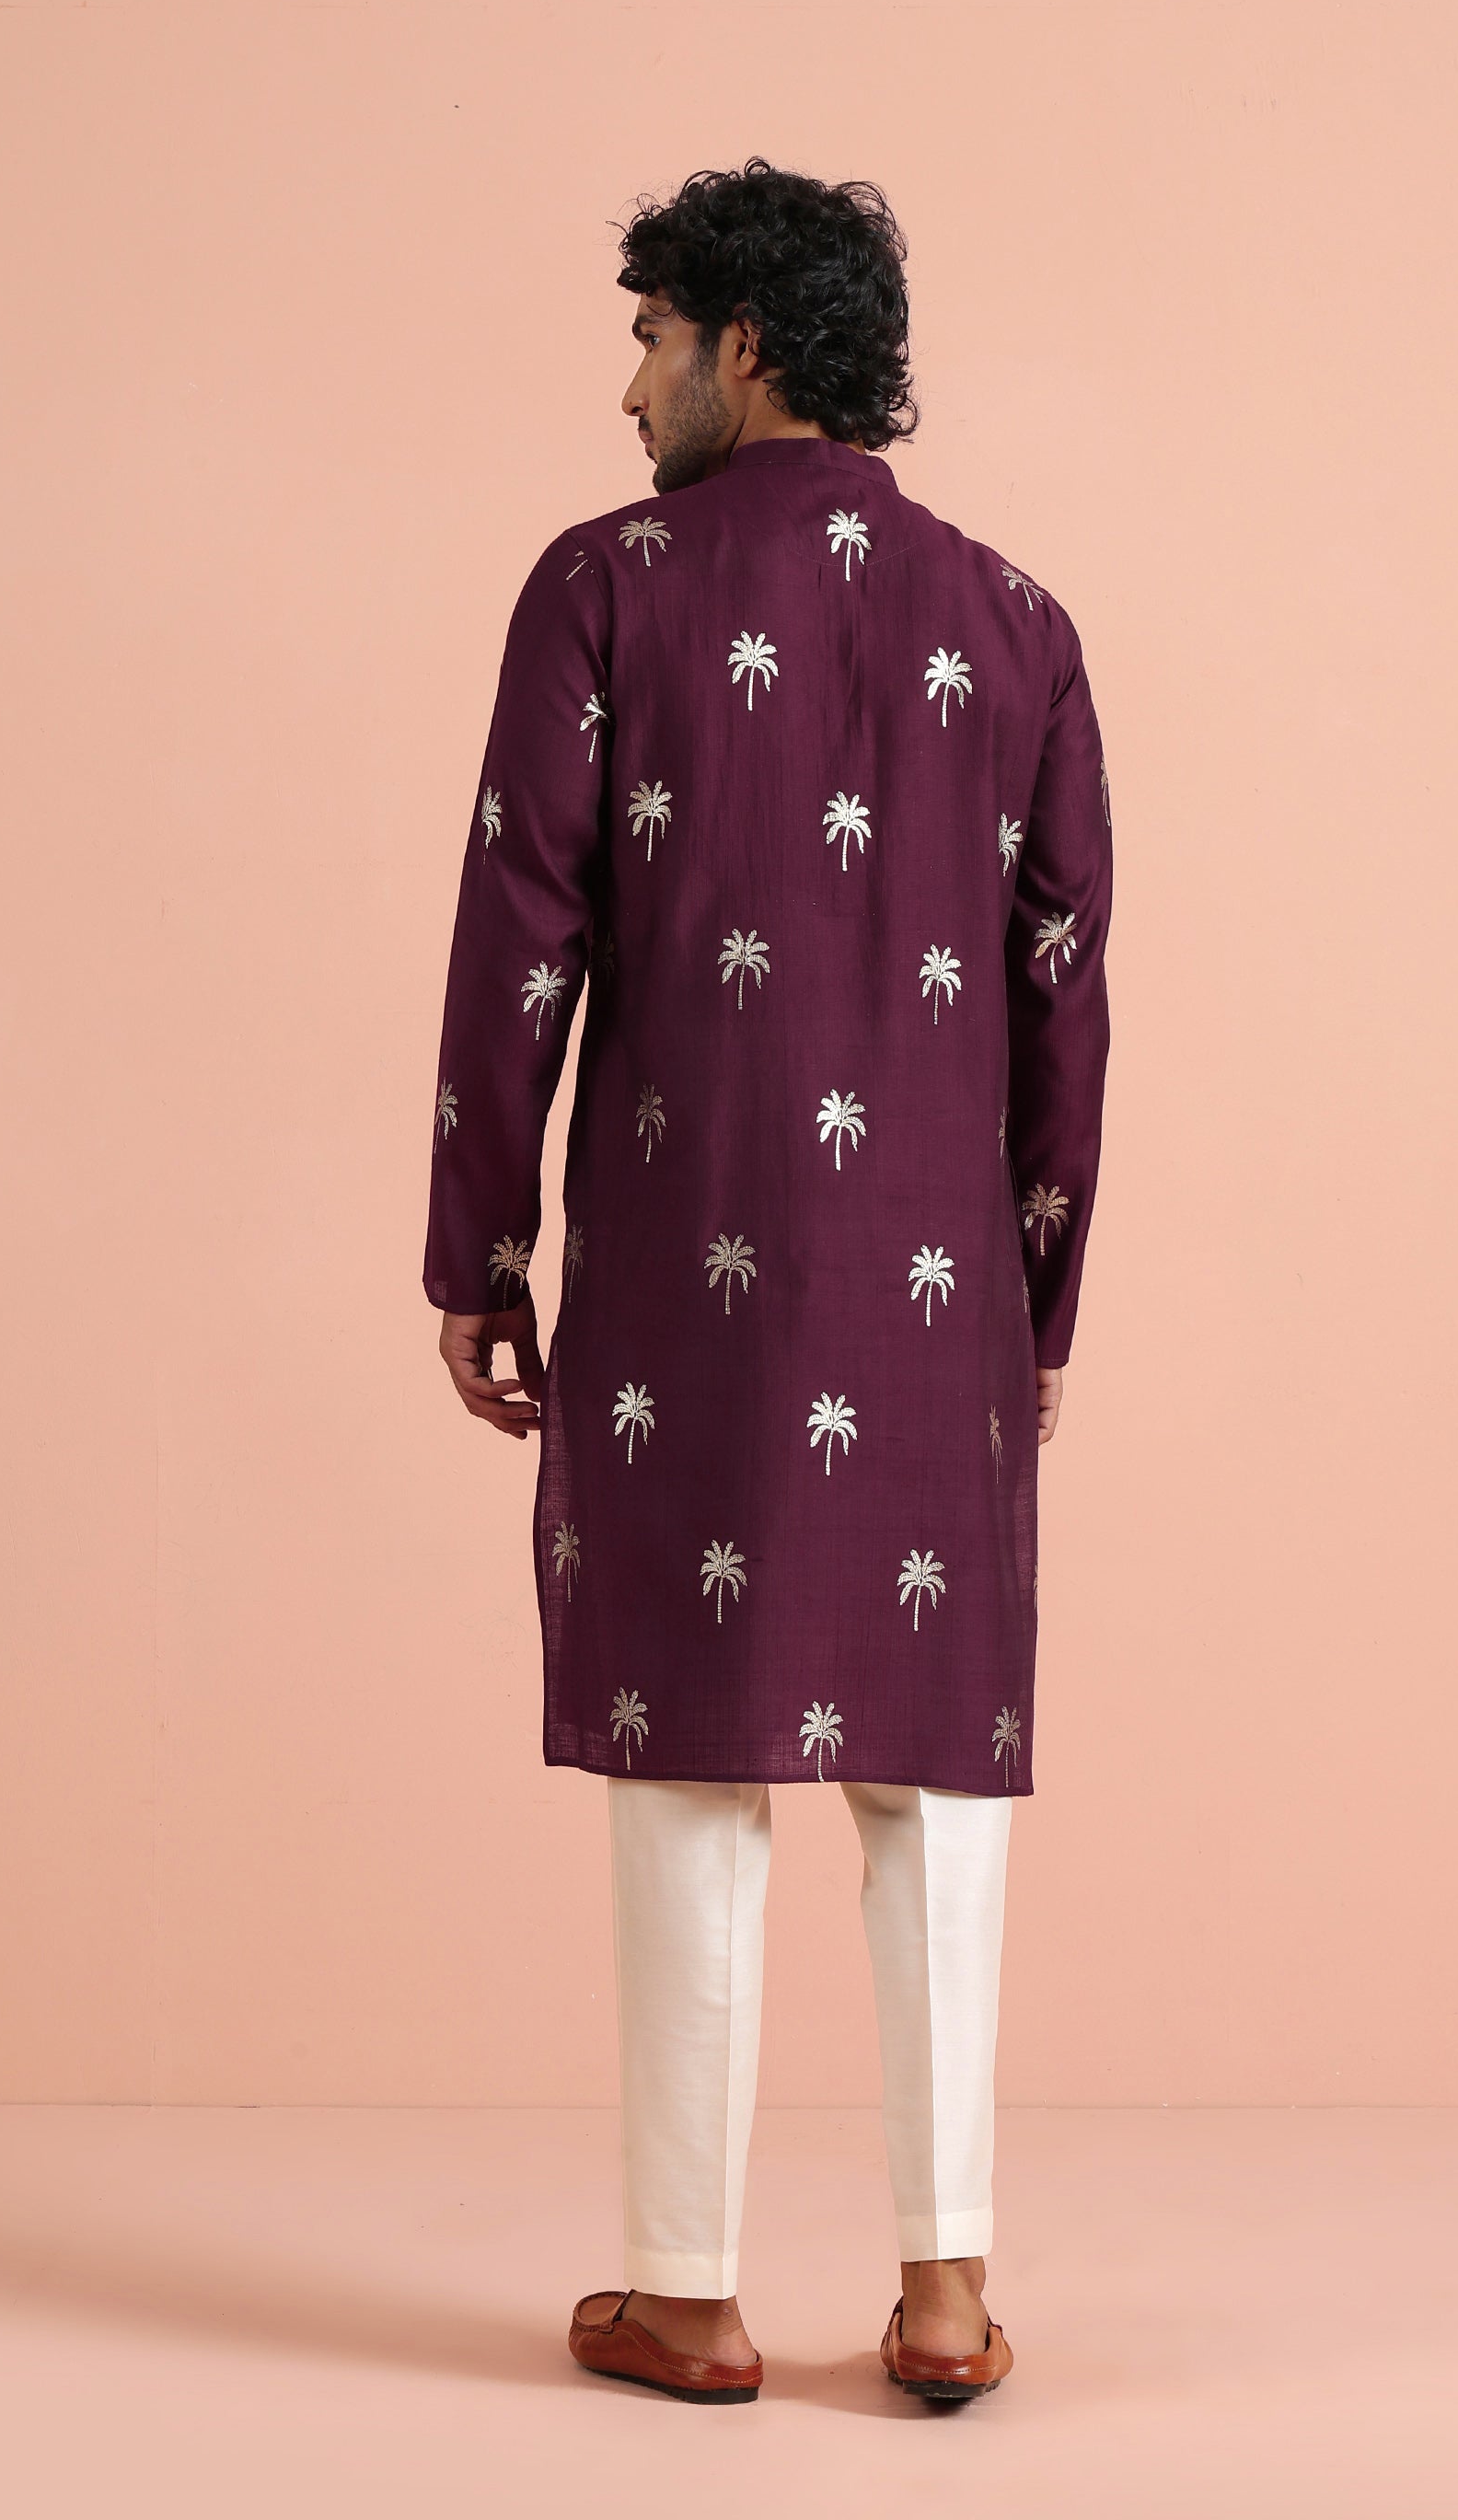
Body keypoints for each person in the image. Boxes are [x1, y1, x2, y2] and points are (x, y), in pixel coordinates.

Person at [423, 158, 1112, 2406]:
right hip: (935, 1293)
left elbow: (520, 934)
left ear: (745, 344)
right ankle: (947, 2294)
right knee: (935, 1792)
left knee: (688, 1766)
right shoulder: (1015, 620)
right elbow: (1066, 998)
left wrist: (480, 1248)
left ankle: (689, 2292)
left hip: (684, 1274)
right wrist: (1035, 1310)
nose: (629, 391)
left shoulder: (602, 590)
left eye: (650, 339)